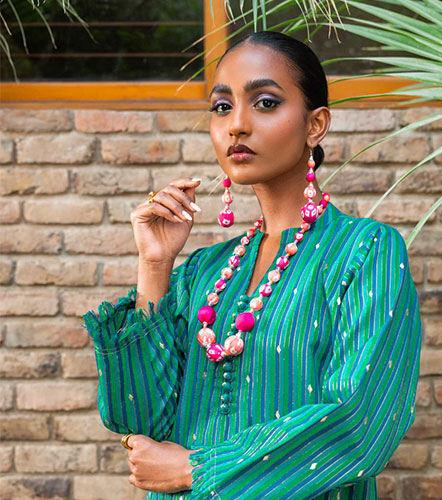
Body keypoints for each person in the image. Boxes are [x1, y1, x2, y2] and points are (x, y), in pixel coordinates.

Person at [82, 30, 422, 500]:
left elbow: (360, 422)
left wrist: (197, 469)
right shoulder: (204, 271)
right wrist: (155, 266)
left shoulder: (364, 253)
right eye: (222, 107)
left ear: (316, 124)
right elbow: (139, 420)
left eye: (264, 103)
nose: (237, 125)